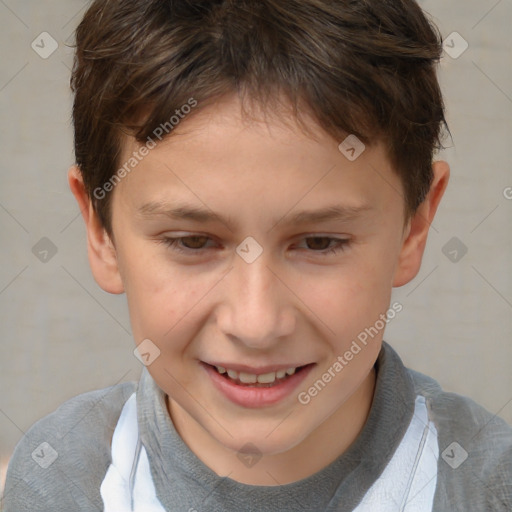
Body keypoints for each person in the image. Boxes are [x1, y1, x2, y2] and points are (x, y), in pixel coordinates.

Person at [4, 0, 512, 510]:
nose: (256, 323)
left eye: (319, 242)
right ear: (101, 232)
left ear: (413, 229)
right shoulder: (62, 477)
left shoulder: (488, 486)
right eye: (192, 242)